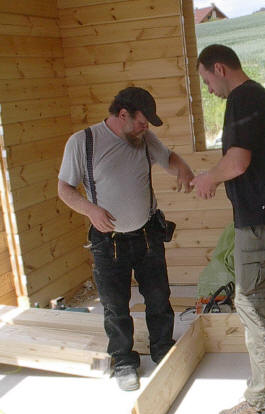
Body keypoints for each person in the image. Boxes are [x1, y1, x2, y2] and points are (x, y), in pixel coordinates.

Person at [57, 87, 195, 391]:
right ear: (122, 115)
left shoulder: (144, 139)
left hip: (148, 234)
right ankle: (124, 361)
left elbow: (168, 158)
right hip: (108, 242)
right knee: (115, 305)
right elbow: (64, 188)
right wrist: (90, 210)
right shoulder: (83, 142)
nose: (145, 128)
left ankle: (162, 349)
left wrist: (183, 169)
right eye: (141, 122)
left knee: (158, 297)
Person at [191, 44, 265, 414]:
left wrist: (209, 177)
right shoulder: (258, 97)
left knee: (253, 305)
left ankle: (262, 403)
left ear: (220, 68)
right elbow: (240, 159)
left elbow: (237, 162)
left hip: (261, 225)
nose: (208, 89)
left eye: (207, 80)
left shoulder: (242, 98)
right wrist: (212, 174)